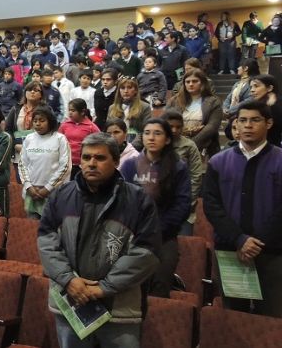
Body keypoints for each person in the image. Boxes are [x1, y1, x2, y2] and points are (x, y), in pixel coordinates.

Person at [38, 133, 161, 348]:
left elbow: (147, 252)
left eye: (100, 158)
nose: (91, 164)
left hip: (119, 309)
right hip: (72, 302)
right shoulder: (60, 196)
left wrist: (104, 288)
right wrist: (69, 280)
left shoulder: (138, 201)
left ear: (115, 161)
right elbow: (47, 240)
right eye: (86, 158)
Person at [203, 100, 282, 317]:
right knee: (235, 318)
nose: (247, 125)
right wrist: (240, 239)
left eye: (255, 120)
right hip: (231, 251)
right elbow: (211, 205)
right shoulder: (218, 162)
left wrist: (256, 242)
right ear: (235, 124)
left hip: (272, 253)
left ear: (269, 123)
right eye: (242, 120)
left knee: (272, 319)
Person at [120, 119, 191, 297]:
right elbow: (122, 199)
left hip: (164, 237)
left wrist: (157, 230)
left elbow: (182, 205)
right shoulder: (130, 165)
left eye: (157, 133)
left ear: (167, 139)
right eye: (147, 133)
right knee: (132, 289)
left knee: (159, 288)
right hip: (133, 237)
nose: (151, 137)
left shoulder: (178, 167)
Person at [19, 106, 72, 219]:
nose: (38, 123)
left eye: (42, 120)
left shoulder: (60, 139)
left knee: (50, 230)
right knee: (32, 229)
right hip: (31, 193)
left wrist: (47, 188)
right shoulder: (29, 138)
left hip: (52, 193)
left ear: (50, 121)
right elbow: (22, 164)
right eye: (35, 121)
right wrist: (29, 186)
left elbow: (65, 166)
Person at [162, 110, 206, 235]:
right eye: (171, 126)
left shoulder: (189, 146)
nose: (174, 130)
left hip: (184, 205)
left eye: (178, 127)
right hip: (159, 208)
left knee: (183, 245)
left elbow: (196, 176)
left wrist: (187, 203)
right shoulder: (156, 144)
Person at [166, 69, 223, 157]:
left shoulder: (214, 102)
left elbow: (212, 127)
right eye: (187, 82)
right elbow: (165, 121)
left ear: (202, 83)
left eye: (195, 81)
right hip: (176, 146)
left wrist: (190, 145)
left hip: (204, 147)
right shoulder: (174, 101)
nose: (191, 84)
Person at [107, 76, 151, 151]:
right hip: (115, 147)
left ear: (136, 90)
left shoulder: (145, 107)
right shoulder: (112, 108)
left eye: (129, 87)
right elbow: (108, 131)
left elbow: (145, 131)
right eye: (123, 88)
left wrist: (131, 148)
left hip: (137, 148)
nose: (126, 91)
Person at [59, 99, 100, 179]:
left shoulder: (91, 127)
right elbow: (58, 141)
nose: (70, 113)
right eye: (69, 110)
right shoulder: (64, 125)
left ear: (82, 112)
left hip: (82, 165)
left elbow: (99, 144)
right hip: (66, 163)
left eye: (73, 110)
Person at [248, 74, 282, 146]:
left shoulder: (276, 105)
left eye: (256, 86)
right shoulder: (252, 104)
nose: (252, 90)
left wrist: (272, 106)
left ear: (269, 88)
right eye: (251, 87)